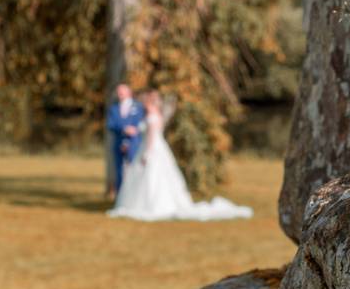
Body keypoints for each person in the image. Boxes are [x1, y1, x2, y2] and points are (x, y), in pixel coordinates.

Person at [108, 91, 253, 222]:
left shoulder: (152, 117)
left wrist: (147, 154)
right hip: (155, 149)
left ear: (149, 104)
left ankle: (150, 205)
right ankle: (145, 204)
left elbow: (152, 138)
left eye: (145, 103)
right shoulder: (154, 115)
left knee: (153, 178)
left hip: (151, 149)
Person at [106, 84, 145, 196]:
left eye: (122, 92)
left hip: (134, 143)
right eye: (118, 92)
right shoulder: (113, 108)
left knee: (135, 169)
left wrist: (134, 130)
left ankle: (136, 195)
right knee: (119, 171)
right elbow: (111, 125)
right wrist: (124, 129)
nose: (120, 94)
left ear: (129, 92)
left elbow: (141, 123)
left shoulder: (138, 107)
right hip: (118, 143)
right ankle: (120, 196)